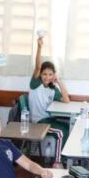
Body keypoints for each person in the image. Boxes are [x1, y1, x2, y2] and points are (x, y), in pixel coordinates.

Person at [28, 35, 71, 167]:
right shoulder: (36, 85)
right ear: (40, 75)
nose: (47, 77)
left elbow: (66, 100)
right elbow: (37, 66)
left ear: (54, 75)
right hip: (39, 121)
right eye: (44, 74)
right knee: (61, 133)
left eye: (50, 74)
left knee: (68, 127)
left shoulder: (52, 89)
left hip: (48, 119)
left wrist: (59, 82)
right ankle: (57, 162)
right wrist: (39, 47)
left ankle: (63, 158)